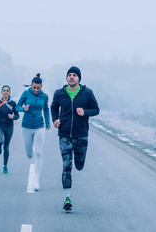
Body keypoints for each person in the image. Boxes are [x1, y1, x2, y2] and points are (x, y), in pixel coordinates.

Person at [50, 66, 100, 211]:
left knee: (79, 164)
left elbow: (96, 110)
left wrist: (85, 112)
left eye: (74, 75)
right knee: (67, 165)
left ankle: (80, 161)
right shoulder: (59, 93)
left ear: (79, 78)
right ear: (66, 78)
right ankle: (67, 198)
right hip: (64, 135)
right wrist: (55, 119)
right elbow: (53, 108)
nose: (71, 77)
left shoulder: (87, 93)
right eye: (69, 75)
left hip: (81, 135)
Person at [16, 73, 51, 191]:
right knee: (29, 154)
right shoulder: (26, 93)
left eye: (38, 88)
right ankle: (29, 153)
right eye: (34, 87)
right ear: (31, 85)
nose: (36, 90)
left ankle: (36, 180)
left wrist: (48, 123)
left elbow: (46, 109)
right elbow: (17, 106)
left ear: (41, 87)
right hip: (26, 126)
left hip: (39, 126)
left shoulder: (44, 96)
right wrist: (23, 109)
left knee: (39, 153)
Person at [0, 85, 20, 174]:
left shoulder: (13, 103)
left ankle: (5, 165)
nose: (6, 92)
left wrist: (13, 117)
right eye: (4, 90)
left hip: (9, 127)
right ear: (1, 92)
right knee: (0, 141)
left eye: (7, 90)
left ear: (10, 92)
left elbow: (17, 115)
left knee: (6, 147)